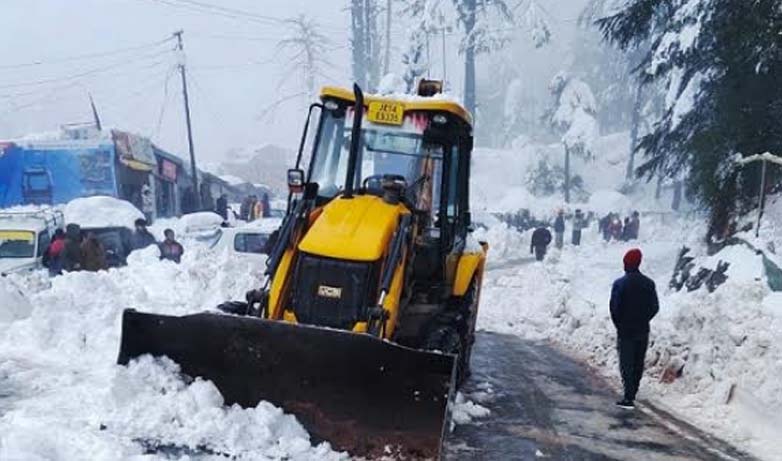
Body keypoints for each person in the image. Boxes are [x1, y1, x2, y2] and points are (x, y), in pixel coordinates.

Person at [610, 249, 659, 409]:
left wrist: (619, 324)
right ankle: (634, 390)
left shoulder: (620, 284)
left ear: (626, 264)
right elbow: (654, 307)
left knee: (627, 363)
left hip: (625, 330)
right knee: (638, 361)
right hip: (642, 329)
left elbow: (614, 307)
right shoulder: (649, 283)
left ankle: (628, 395)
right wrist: (644, 319)